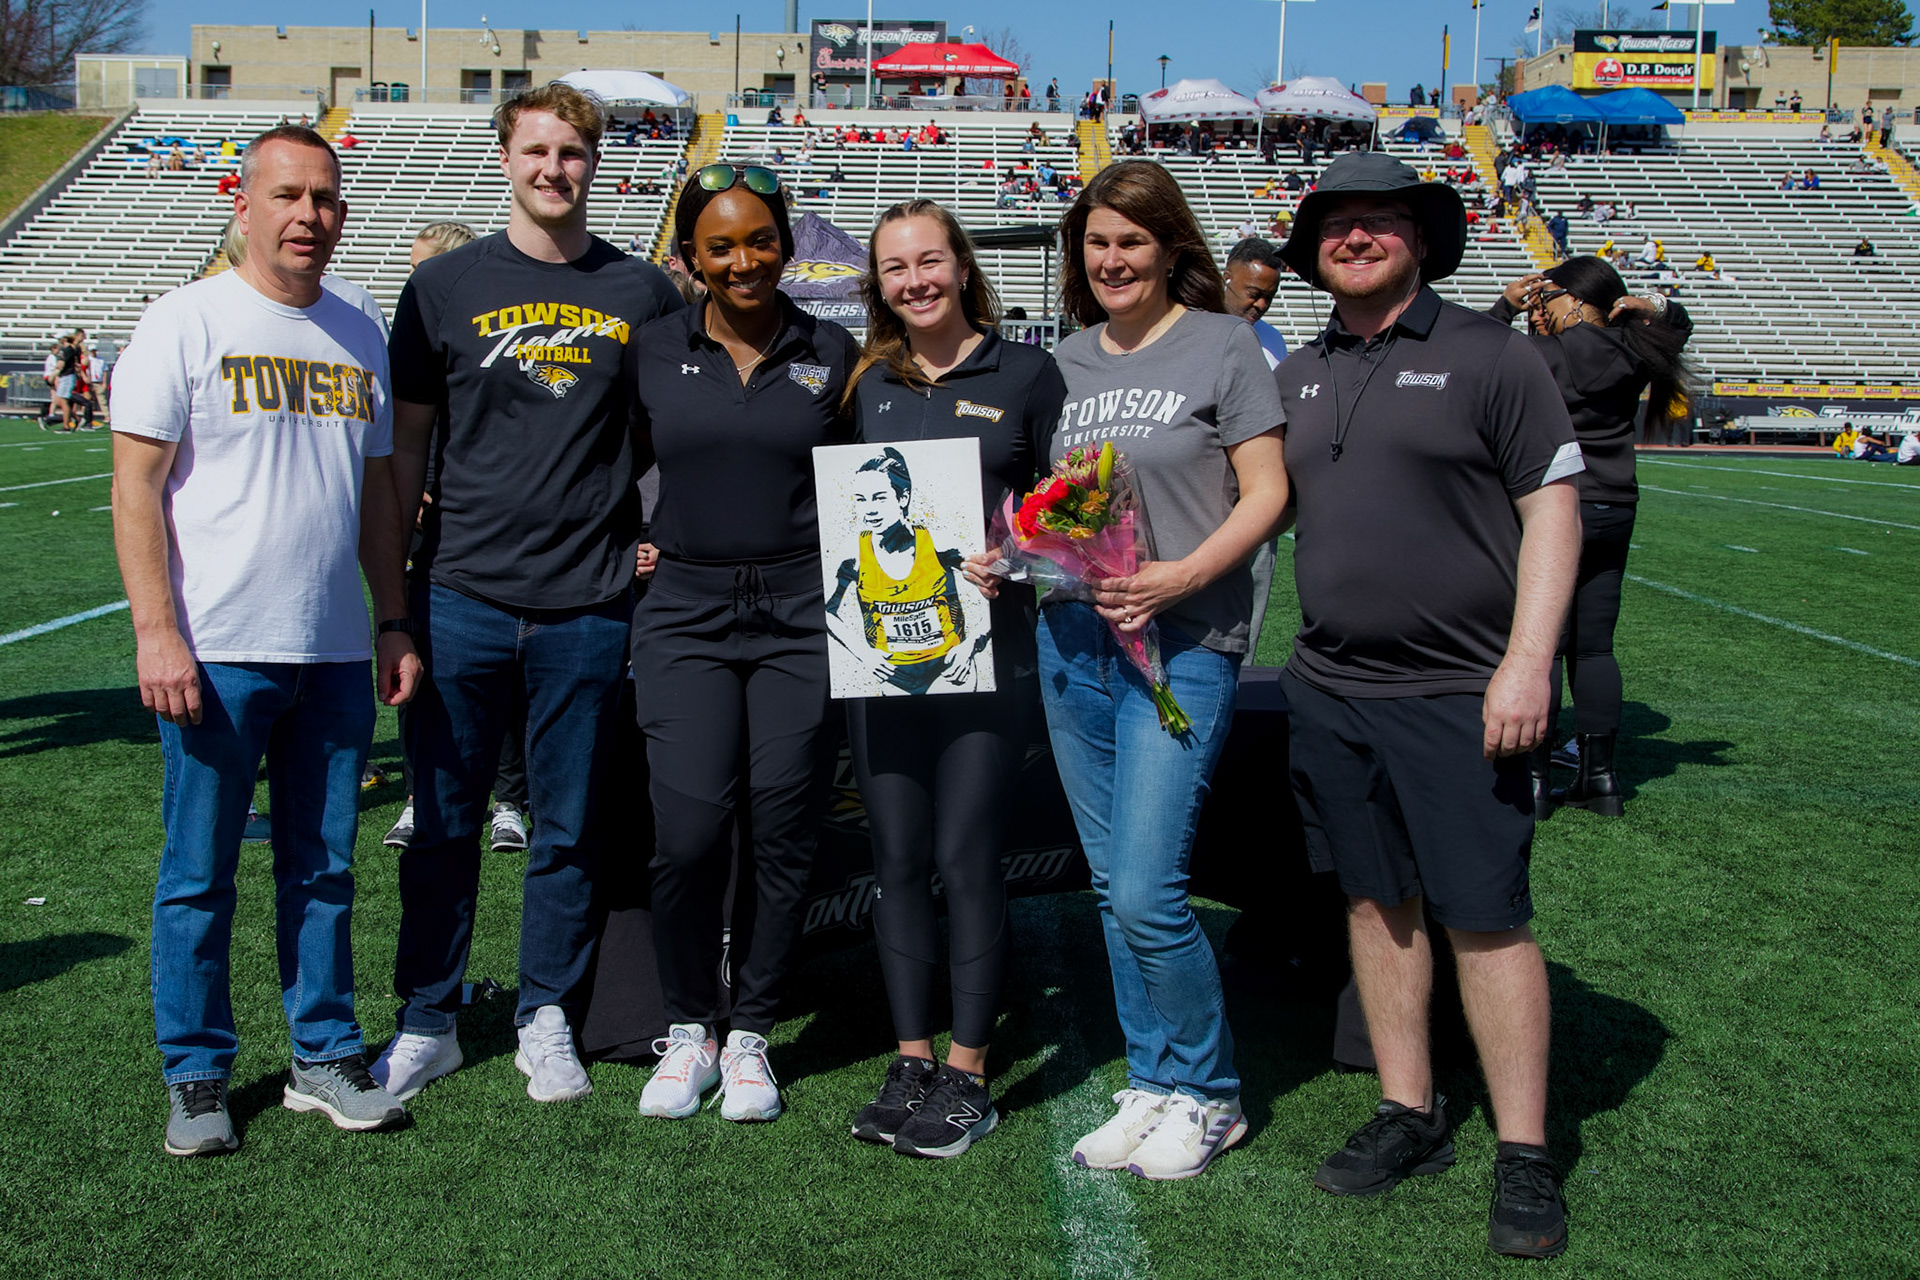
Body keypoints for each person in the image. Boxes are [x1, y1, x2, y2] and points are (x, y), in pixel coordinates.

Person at [1272, 151, 1582, 1258]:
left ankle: (1525, 1149)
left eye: (1381, 220)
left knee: (1485, 915)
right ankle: (1409, 1108)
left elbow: (1554, 507)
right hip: (1330, 686)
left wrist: (1529, 662)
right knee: (1375, 901)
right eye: (1337, 223)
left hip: (1462, 690)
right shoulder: (1296, 372)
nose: (1356, 237)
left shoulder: (1491, 353)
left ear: (1420, 237)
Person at [110, 123, 418, 1156]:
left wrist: (390, 617)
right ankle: (196, 1073)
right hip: (217, 648)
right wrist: (158, 631)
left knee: (323, 869)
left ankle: (323, 1055)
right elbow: (136, 487)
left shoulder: (359, 326)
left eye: (325, 198)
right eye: (287, 195)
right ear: (241, 204)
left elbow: (377, 493)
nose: (308, 216)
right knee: (198, 873)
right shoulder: (184, 319)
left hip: (331, 650)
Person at [375, 83, 684, 1107]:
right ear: (506, 157)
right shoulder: (443, 286)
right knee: (445, 822)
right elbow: (408, 443)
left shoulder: (644, 292)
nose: (556, 169)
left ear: (597, 163)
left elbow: (670, 436)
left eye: (574, 152)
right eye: (539, 150)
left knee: (568, 827)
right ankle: (428, 1015)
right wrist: (398, 593)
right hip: (459, 593)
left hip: (588, 602)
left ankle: (544, 1011)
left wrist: (650, 532)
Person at [1001, 160, 1287, 1180]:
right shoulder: (1064, 362)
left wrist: (1184, 575)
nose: (1113, 258)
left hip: (1185, 644)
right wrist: (1012, 554)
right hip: (1073, 643)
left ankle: (1211, 1092)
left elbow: (1268, 493)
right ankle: (1153, 1078)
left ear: (1171, 247)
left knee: (1149, 890)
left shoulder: (1224, 343)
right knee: (1111, 883)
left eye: (1132, 239)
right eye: (1096, 242)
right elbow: (1054, 507)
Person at [627, 163, 858, 1124]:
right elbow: (596, 462)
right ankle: (690, 1026)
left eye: (760, 239)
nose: (743, 261)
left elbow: (880, 470)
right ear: (690, 256)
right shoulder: (651, 347)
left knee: (784, 825)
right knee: (686, 836)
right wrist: (623, 543)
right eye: (719, 246)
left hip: (801, 614)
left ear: (787, 244)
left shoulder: (832, 349)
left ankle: (754, 1029)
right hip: (684, 610)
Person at [836, 199, 1066, 1157]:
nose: (915, 281)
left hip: (989, 656)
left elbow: (1066, 510)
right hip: (881, 663)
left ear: (963, 267)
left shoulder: (1027, 373)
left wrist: (1018, 555)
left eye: (929, 261)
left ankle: (968, 1073)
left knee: (967, 856)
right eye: (895, 268)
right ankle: (912, 1058)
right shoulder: (866, 380)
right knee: (894, 859)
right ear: (878, 285)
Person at [1491, 260, 1693, 818]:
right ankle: (1600, 780)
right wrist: (1651, 305)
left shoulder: (1541, 354)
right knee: (1596, 647)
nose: (1540, 308)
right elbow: (1679, 324)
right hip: (1615, 505)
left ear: (1577, 301)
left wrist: (1505, 307)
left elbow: (1474, 351)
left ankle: (1534, 780)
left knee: (1547, 646)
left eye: (1548, 298)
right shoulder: (1634, 350)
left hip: (1556, 507)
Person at [378, 221, 531, 856]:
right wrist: (411, 491)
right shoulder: (416, 327)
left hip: (483, 527)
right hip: (429, 530)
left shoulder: (484, 326)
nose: (414, 281)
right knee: (422, 670)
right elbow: (406, 429)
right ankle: (421, 794)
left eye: (424, 267)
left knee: (507, 676)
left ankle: (509, 798)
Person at [1222, 237, 1291, 656]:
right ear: (1226, 277)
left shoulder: (1273, 340)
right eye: (1253, 293)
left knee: (1251, 608)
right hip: (1204, 496)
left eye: (1269, 296)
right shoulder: (1189, 329)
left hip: (1258, 494)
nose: (1261, 304)